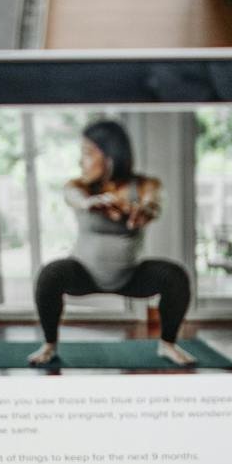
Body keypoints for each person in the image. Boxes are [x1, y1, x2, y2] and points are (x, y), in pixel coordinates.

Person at [28, 118, 195, 368]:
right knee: (49, 275)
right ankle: (49, 345)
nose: (80, 161)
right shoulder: (79, 186)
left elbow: (154, 202)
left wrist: (144, 211)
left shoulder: (145, 184)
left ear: (110, 156)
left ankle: (167, 344)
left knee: (175, 276)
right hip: (83, 273)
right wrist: (91, 203)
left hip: (130, 276)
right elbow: (72, 196)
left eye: (86, 153)